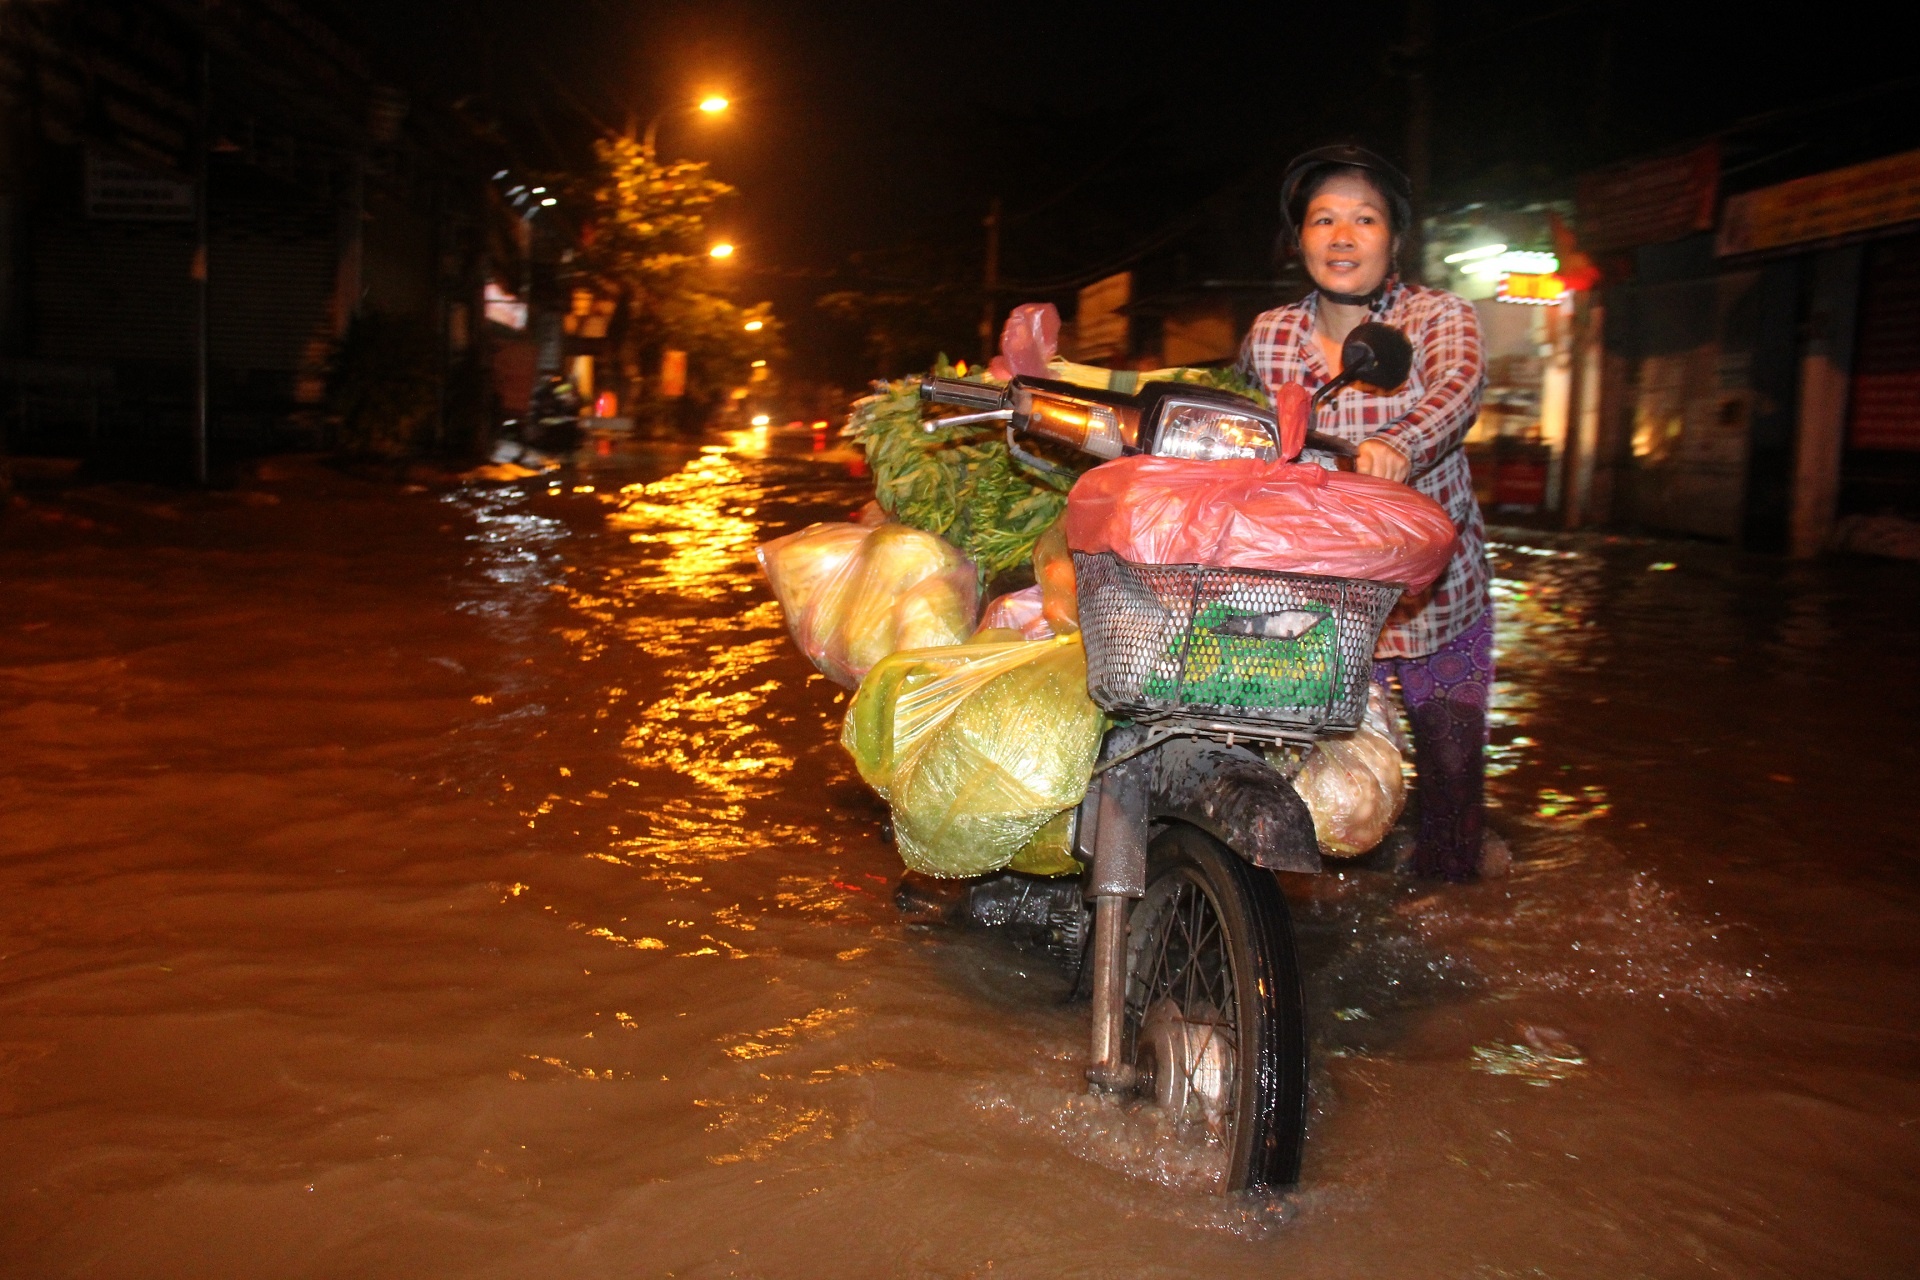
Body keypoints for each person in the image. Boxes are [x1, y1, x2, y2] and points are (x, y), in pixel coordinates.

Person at [1239, 144, 1500, 882]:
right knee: (1333, 795)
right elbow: (1243, 424)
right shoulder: (1272, 335)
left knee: (1451, 776)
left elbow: (1458, 389)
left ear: (1394, 238)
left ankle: (1454, 905)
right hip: (1326, 602)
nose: (1343, 237)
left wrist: (1398, 442)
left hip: (1436, 600)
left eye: (1365, 219)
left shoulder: (1439, 316)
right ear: (1299, 238)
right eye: (1323, 219)